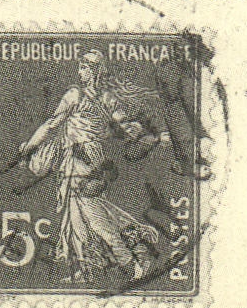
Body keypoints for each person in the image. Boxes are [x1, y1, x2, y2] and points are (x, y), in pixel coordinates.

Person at [13, 51, 163, 285]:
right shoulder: (108, 98)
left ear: (93, 71)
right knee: (76, 219)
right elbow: (125, 126)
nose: (80, 72)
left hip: (80, 160)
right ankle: (87, 269)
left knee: (95, 219)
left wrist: (29, 147)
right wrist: (144, 132)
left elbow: (52, 125)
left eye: (83, 68)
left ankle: (132, 263)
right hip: (91, 159)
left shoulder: (74, 95)